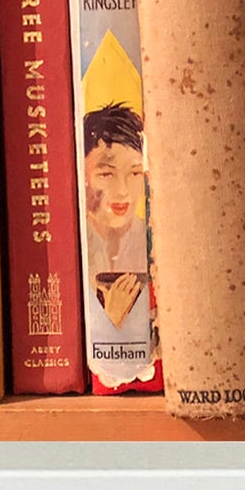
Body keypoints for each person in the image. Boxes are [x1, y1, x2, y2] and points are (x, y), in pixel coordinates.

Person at [81, 102, 148, 327]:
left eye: (135, 173)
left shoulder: (155, 243)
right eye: (107, 174)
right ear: (83, 175)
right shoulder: (68, 247)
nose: (122, 190)